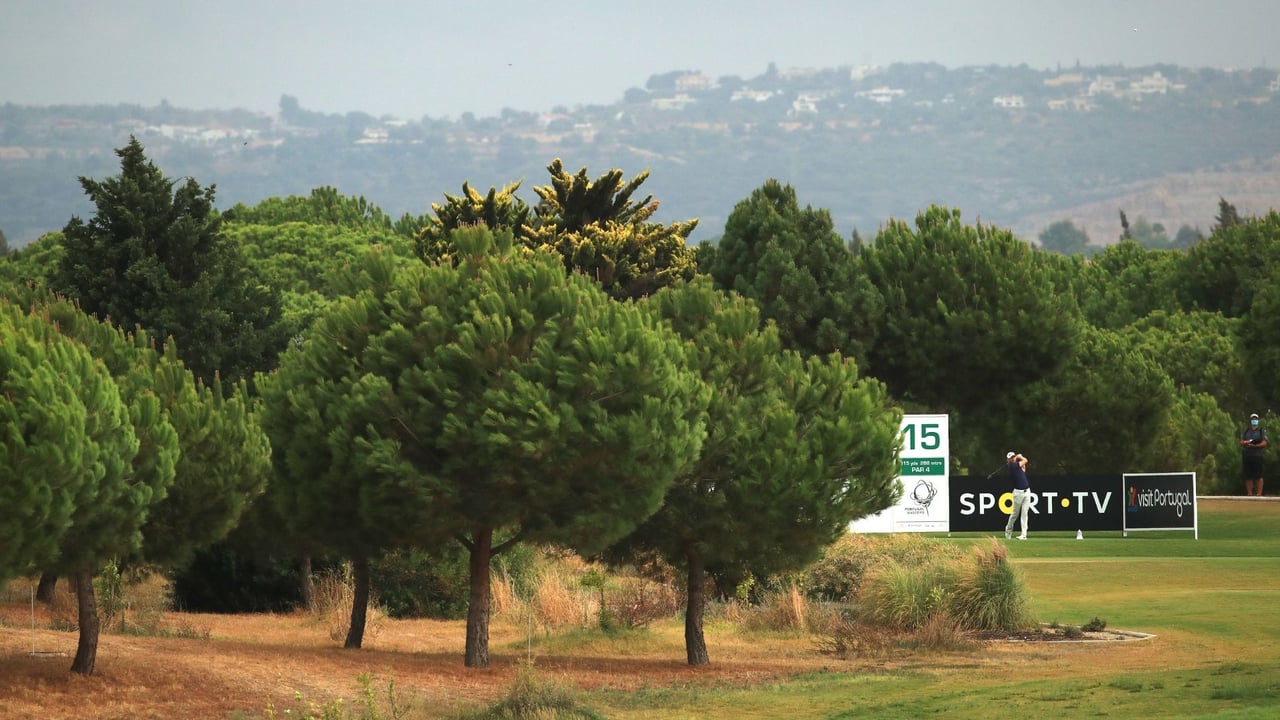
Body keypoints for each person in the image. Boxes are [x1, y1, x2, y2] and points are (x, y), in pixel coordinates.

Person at [1240, 413, 1269, 496]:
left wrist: (1255, 445)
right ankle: (1249, 493)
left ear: (1258, 420)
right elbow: (1241, 441)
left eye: (1255, 419)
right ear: (1250, 420)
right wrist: (1246, 442)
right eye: (1253, 419)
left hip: (1257, 455)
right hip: (1247, 455)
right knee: (1248, 475)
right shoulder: (1247, 430)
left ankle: (1259, 494)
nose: (1254, 420)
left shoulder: (1261, 431)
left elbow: (1264, 443)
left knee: (1258, 475)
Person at [1004, 451, 1031, 540]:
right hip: (1018, 493)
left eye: (1013, 457)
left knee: (1024, 513)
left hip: (1027, 491)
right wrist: (1020, 456)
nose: (1013, 458)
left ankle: (1024, 534)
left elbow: (1024, 470)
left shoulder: (1017, 465)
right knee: (1015, 514)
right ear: (1008, 460)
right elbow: (1026, 460)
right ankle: (1008, 530)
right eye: (1011, 458)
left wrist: (1019, 458)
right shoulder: (1012, 466)